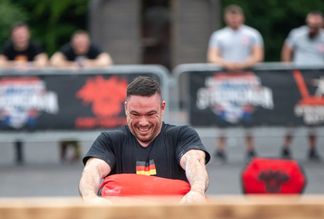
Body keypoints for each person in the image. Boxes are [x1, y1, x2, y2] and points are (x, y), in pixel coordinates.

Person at [79, 76, 211, 204]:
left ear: (162, 108)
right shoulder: (110, 140)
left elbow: (194, 161)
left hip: (174, 218)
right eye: (135, 114)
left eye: (150, 114)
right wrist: (91, 198)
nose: (143, 122)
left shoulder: (181, 135)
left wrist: (197, 192)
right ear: (126, 108)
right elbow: (92, 170)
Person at [207, 4, 264, 163]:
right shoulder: (219, 36)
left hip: (245, 81)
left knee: (248, 114)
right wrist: (228, 64)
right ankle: (221, 148)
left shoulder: (252, 34)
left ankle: (250, 148)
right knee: (222, 114)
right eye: (231, 17)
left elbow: (258, 55)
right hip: (225, 81)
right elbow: (212, 56)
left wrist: (242, 64)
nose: (234, 20)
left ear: (242, 17)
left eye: (237, 16)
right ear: (226, 18)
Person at [280, 10, 324, 160]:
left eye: (315, 26)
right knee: (292, 113)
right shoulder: (297, 34)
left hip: (317, 80)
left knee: (313, 115)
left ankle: (312, 148)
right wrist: (288, 70)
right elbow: (286, 52)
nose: (311, 28)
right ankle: (286, 146)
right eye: (309, 25)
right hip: (298, 79)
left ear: (322, 25)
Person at [50, 30, 113, 162]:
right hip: (70, 93)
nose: (80, 45)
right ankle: (69, 145)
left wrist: (88, 64)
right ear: (73, 43)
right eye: (78, 43)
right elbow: (54, 61)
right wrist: (73, 65)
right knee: (69, 120)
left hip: (89, 95)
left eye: (83, 42)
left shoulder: (93, 49)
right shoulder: (68, 51)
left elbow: (107, 61)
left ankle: (81, 148)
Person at [0, 22, 48, 164]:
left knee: (34, 116)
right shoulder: (8, 47)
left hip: (32, 93)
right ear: (13, 36)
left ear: (27, 34)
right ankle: (18, 151)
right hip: (13, 94)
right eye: (17, 35)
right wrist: (16, 65)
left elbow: (44, 62)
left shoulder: (34, 46)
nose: (20, 37)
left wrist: (27, 66)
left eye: (23, 34)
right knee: (15, 121)